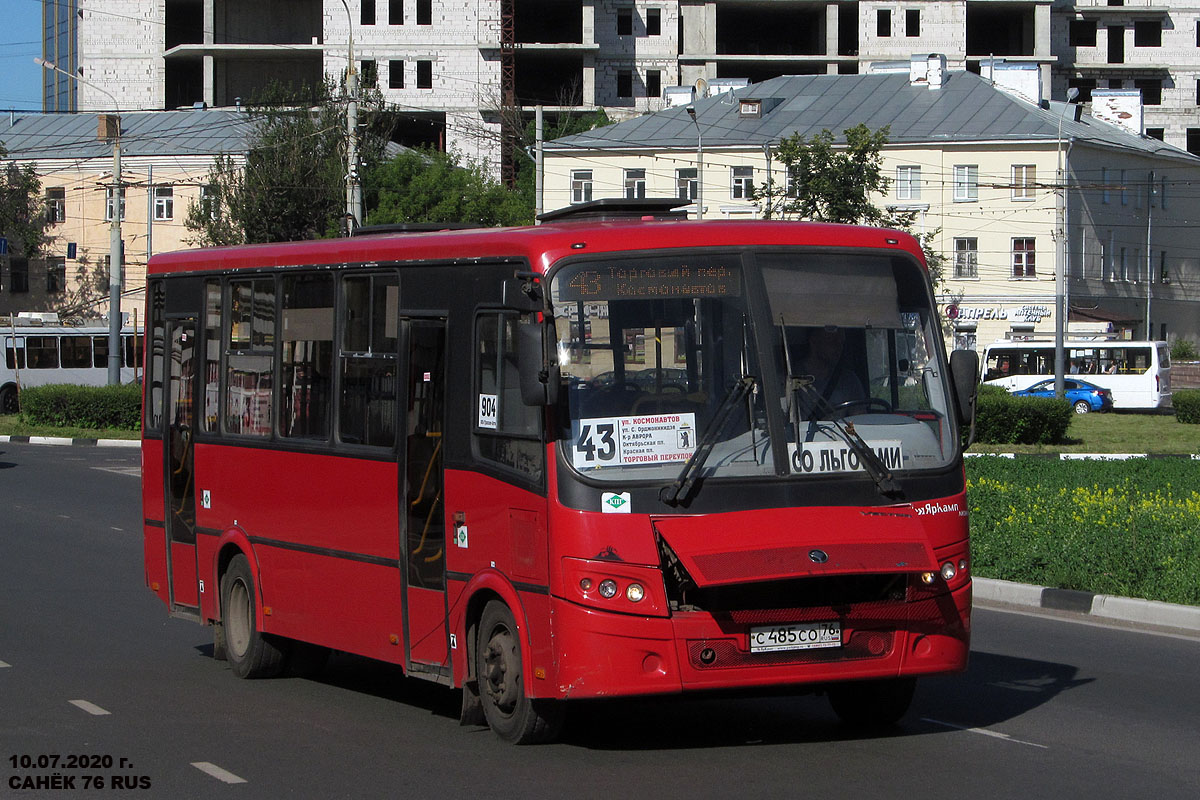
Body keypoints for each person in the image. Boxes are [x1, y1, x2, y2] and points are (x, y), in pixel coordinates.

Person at [794, 326, 866, 415]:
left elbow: (859, 418)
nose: (839, 348)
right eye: (833, 342)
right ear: (814, 342)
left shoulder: (849, 381)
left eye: (841, 343)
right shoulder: (792, 378)